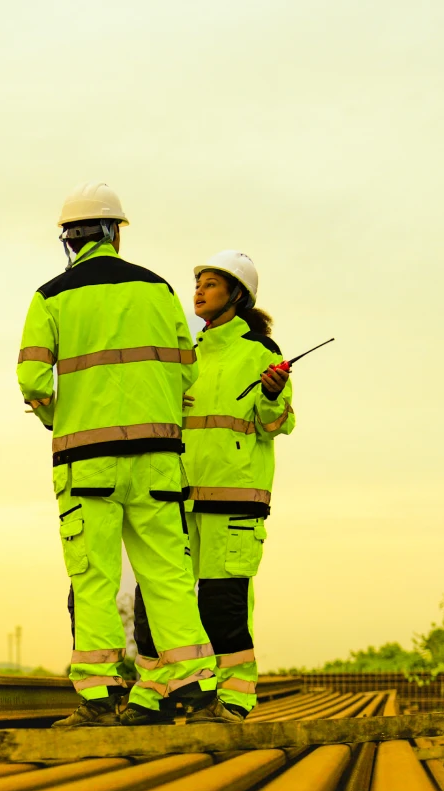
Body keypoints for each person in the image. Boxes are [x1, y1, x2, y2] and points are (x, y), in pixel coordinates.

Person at [17, 182, 233, 727]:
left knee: (93, 577)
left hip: (86, 462)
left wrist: (58, 417)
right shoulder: (159, 291)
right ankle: (198, 696)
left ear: (70, 239)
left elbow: (32, 381)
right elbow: (188, 370)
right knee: (167, 577)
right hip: (158, 458)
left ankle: (98, 701)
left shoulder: (50, 297)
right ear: (116, 232)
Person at [134, 251, 294, 718]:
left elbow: (278, 422)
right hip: (176, 498)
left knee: (223, 608)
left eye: (210, 283)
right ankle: (155, 695)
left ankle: (234, 700)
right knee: (158, 601)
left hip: (234, 500)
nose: (199, 291)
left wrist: (269, 392)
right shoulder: (187, 352)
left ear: (236, 295)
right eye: (197, 283)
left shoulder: (262, 352)